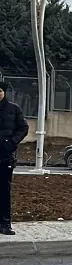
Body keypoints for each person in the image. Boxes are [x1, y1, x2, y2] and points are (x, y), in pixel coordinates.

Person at [0, 81, 28, 235]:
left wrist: (11, 143)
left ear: (4, 92)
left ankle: (5, 224)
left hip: (5, 156)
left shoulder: (13, 109)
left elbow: (23, 128)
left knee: (4, 191)